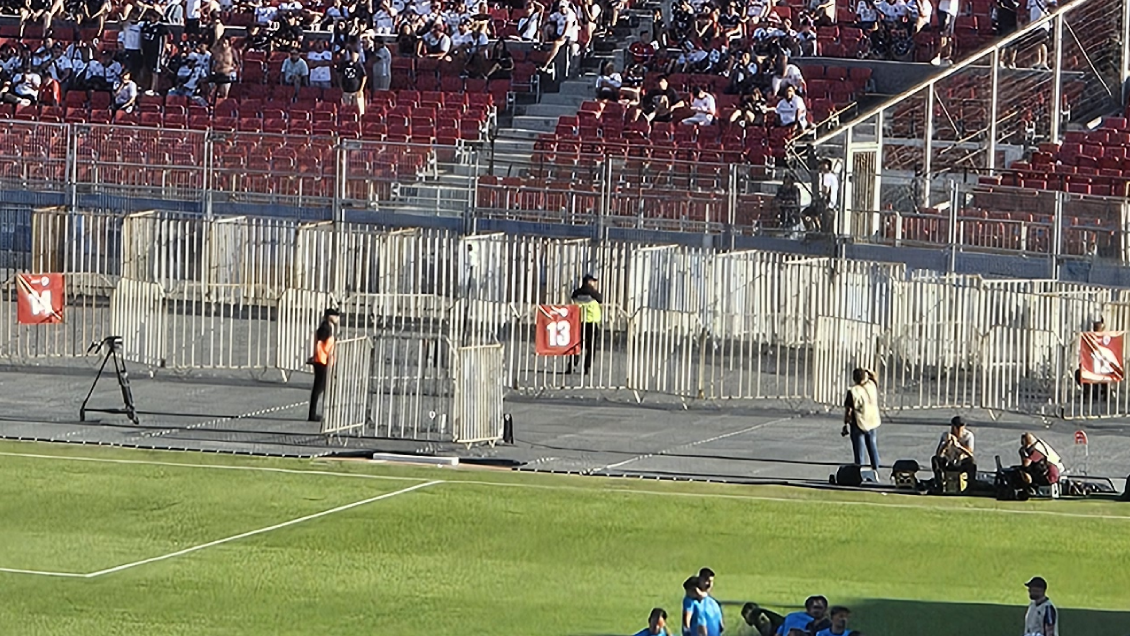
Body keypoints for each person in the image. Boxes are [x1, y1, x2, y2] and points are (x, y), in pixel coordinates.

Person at [843, 367, 880, 471]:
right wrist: (868, 371)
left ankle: (859, 471)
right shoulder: (871, 386)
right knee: (872, 447)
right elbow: (875, 376)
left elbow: (849, 410)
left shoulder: (853, 391)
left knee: (859, 451)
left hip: (859, 423)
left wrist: (845, 423)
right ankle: (875, 470)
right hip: (872, 421)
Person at [566, 273, 602, 375]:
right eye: (594, 281)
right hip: (592, 322)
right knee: (591, 347)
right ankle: (587, 367)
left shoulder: (576, 293)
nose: (595, 284)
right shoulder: (593, 294)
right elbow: (600, 299)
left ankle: (572, 364)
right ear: (589, 282)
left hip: (578, 321)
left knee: (576, 345)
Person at [307, 307, 339, 422]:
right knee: (319, 388)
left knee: (321, 388)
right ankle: (313, 414)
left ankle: (317, 413)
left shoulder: (328, 327)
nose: (337, 318)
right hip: (322, 361)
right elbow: (321, 345)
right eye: (335, 316)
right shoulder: (325, 328)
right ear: (330, 317)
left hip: (323, 360)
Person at [932, 416, 975, 488]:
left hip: (961, 462)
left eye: (960, 427)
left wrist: (959, 446)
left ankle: (970, 487)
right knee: (935, 459)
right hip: (948, 461)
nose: (958, 430)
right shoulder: (946, 435)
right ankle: (939, 485)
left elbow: (970, 454)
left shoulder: (968, 436)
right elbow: (938, 454)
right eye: (956, 427)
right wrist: (946, 445)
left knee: (972, 462)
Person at [338, 48, 366, 115]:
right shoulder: (345, 65)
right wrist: (341, 87)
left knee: (359, 111)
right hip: (346, 91)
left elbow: (364, 77)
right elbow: (340, 75)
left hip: (356, 91)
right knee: (347, 110)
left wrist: (361, 90)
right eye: (352, 54)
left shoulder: (359, 65)